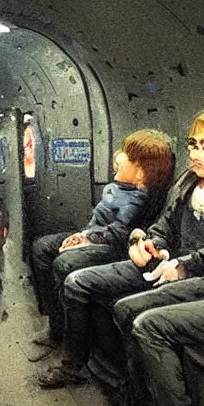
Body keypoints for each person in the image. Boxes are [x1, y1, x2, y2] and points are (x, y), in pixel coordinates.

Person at [37, 99, 204, 406]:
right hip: (167, 265)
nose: (195, 153)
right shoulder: (189, 182)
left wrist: (182, 265)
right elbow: (162, 228)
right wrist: (145, 243)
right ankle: (117, 391)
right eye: (193, 144)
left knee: (139, 319)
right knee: (83, 284)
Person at [29, 129, 175, 354]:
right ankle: (56, 327)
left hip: (118, 247)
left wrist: (86, 239)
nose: (119, 157)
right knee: (41, 247)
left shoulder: (141, 197)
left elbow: (118, 233)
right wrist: (84, 236)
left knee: (63, 263)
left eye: (126, 155)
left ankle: (72, 341)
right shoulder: (128, 188)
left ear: (140, 171)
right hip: (100, 235)